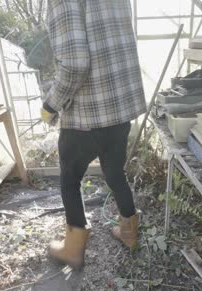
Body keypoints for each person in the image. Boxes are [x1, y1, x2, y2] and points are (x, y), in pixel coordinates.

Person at [41, 0, 146, 268]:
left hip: (86, 116)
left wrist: (51, 105)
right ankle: (129, 233)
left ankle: (74, 248)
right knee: (114, 172)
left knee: (69, 179)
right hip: (119, 109)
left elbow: (75, 64)